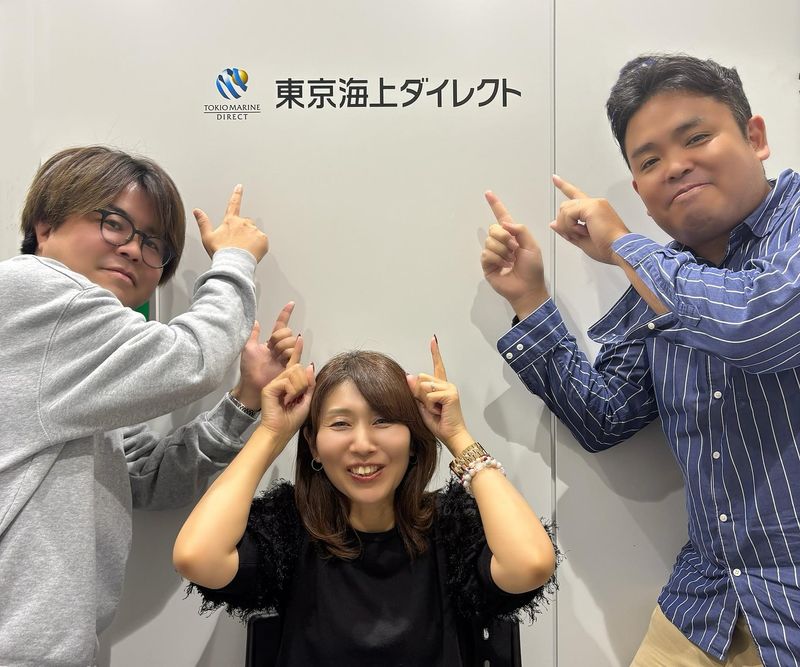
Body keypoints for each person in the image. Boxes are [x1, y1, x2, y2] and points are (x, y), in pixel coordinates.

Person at [481, 53, 799, 666]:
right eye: (649, 161)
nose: (675, 166)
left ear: (755, 137)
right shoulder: (659, 279)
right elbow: (604, 418)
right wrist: (529, 298)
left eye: (696, 137)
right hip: (704, 608)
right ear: (640, 193)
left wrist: (625, 246)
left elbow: (759, 325)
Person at [0, 145, 297, 667]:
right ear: (45, 226)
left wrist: (246, 399)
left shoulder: (75, 367)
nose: (136, 250)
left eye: (154, 242)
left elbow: (148, 478)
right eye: (115, 224)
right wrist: (235, 260)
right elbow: (193, 360)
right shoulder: (37, 291)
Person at [174, 338, 558, 666]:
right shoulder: (291, 528)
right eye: (340, 423)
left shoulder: (451, 528)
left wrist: (457, 435)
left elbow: (531, 564)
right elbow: (197, 556)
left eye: (382, 421)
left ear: (413, 441)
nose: (362, 444)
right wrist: (272, 432)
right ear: (314, 446)